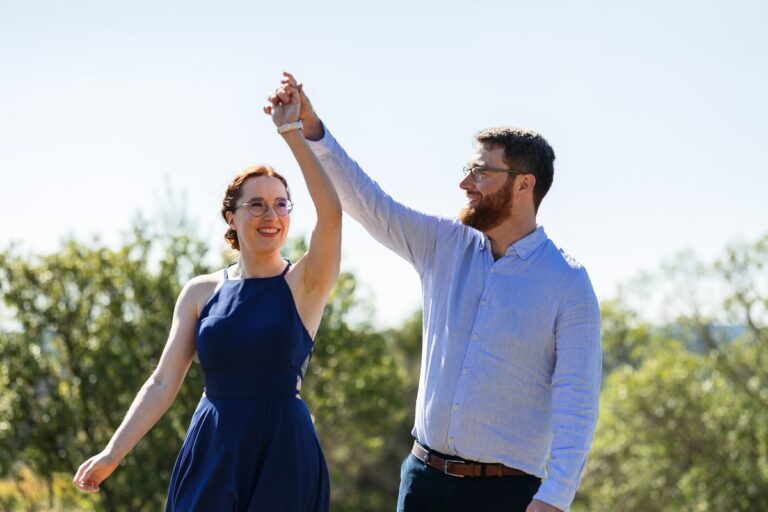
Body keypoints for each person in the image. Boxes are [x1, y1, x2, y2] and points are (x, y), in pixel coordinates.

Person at [267, 73, 601, 512]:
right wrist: (312, 129)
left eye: (482, 173)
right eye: (469, 170)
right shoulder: (443, 244)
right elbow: (369, 203)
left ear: (524, 184)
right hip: (422, 482)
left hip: (506, 497)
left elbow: (578, 402)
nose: (466, 183)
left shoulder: (568, 283)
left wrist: (555, 498)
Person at [74, 80, 341, 511]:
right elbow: (163, 382)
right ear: (231, 217)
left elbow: (331, 215)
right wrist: (112, 453)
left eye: (281, 204)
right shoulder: (200, 291)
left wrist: (291, 131)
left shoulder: (305, 282)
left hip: (283, 451)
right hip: (214, 445)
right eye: (256, 204)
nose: (271, 215)